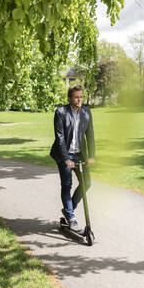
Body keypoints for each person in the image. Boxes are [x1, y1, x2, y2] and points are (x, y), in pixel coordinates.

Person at [50, 84, 95, 232]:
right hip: (65, 154)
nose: (79, 100)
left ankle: (69, 210)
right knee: (67, 184)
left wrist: (92, 156)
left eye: (81, 97)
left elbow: (90, 136)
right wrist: (65, 159)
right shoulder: (61, 112)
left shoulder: (86, 112)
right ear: (69, 98)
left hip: (79, 154)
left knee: (87, 183)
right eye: (76, 97)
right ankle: (71, 217)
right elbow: (60, 138)